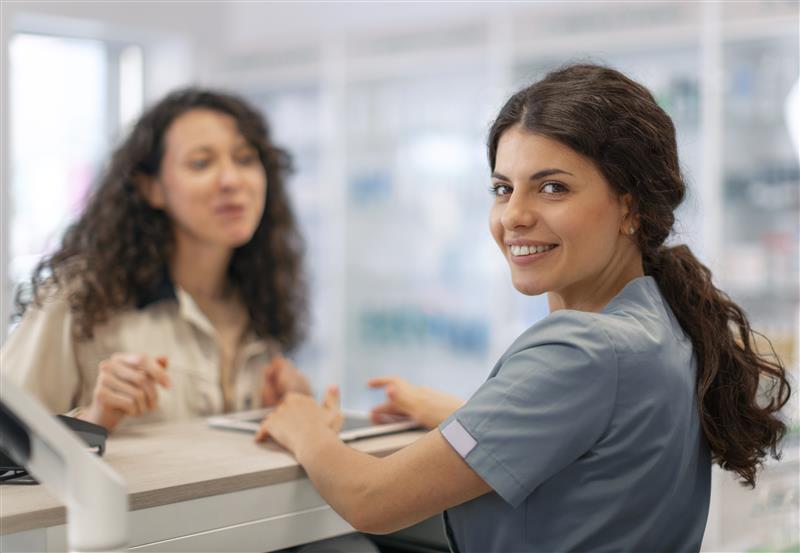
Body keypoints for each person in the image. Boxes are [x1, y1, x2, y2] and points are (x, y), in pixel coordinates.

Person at [254, 64, 792, 552]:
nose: (514, 216)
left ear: (630, 206)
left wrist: (303, 426)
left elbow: (371, 499)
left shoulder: (584, 350)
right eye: (502, 188)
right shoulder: (658, 323)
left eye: (552, 188)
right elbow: (586, 438)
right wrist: (456, 416)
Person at [1, 88, 313, 432]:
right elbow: (6, 444)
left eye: (245, 159)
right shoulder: (81, 296)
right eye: (201, 163)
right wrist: (93, 419)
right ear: (151, 188)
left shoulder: (261, 296)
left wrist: (285, 413)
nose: (231, 180)